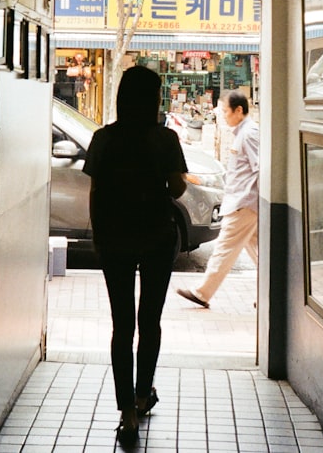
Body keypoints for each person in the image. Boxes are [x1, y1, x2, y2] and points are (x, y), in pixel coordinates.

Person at [83, 65, 188, 447]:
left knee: (121, 326)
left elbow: (94, 192)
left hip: (114, 240)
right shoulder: (166, 139)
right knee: (150, 322)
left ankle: (126, 412)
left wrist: (99, 236)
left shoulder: (102, 139)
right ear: (154, 99)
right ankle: (144, 394)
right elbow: (176, 190)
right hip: (157, 238)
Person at [176, 90, 259, 308]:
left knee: (224, 249)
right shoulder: (242, 132)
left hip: (243, 204)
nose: (223, 116)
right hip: (245, 203)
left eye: (225, 111)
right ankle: (271, 293)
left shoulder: (249, 134)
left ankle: (202, 293)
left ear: (239, 111)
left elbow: (260, 168)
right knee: (259, 252)